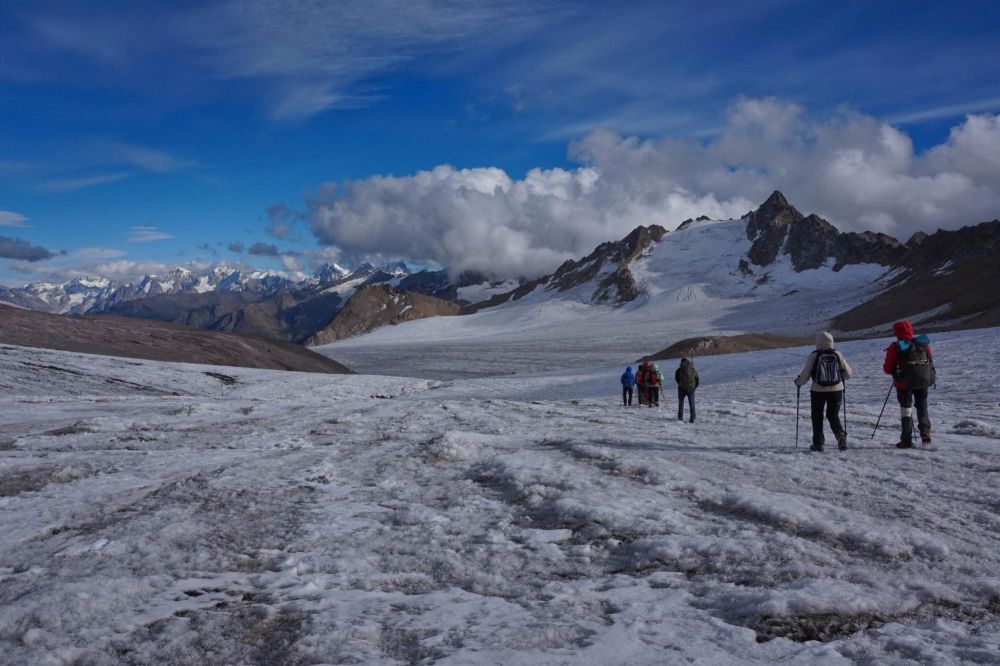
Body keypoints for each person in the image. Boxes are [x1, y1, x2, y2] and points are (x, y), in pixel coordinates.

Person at [794, 332, 853, 452]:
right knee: (833, 415)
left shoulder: (815, 355)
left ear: (818, 341)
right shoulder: (837, 354)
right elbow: (848, 374)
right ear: (831, 341)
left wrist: (798, 382)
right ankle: (840, 436)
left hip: (817, 390)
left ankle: (818, 444)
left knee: (817, 416)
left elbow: (805, 374)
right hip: (837, 390)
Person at [883, 320, 935, 448]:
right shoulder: (922, 344)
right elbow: (930, 360)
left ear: (897, 332)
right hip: (923, 381)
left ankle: (906, 440)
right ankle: (925, 431)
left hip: (903, 384)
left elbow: (887, 369)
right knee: (922, 405)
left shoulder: (896, 346)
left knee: (906, 410)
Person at [675, 358, 699, 422]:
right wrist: (694, 387)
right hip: (691, 388)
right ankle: (692, 417)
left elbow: (677, 379)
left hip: (681, 388)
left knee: (681, 403)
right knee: (691, 403)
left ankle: (680, 417)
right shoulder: (692, 369)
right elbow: (697, 379)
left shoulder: (679, 370)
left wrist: (681, 384)